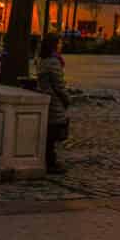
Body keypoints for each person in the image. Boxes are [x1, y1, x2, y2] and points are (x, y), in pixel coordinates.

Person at [34, 34, 72, 175]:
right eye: (59, 43)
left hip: (47, 98)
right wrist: (66, 99)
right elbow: (59, 85)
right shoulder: (53, 62)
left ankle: (50, 160)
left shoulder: (42, 60)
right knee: (53, 132)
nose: (61, 45)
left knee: (50, 132)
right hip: (54, 101)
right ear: (54, 45)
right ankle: (50, 162)